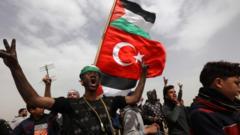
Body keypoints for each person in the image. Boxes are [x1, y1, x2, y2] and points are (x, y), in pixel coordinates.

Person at [0, 39, 148, 135]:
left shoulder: (112, 101)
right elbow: (33, 98)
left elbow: (135, 97)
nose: (92, 75)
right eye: (87, 74)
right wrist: (15, 68)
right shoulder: (70, 104)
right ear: (81, 81)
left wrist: (143, 76)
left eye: (96, 73)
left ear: (99, 79)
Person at [189, 61, 240, 135]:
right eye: (236, 83)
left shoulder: (232, 107)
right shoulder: (202, 115)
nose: (239, 87)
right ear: (219, 82)